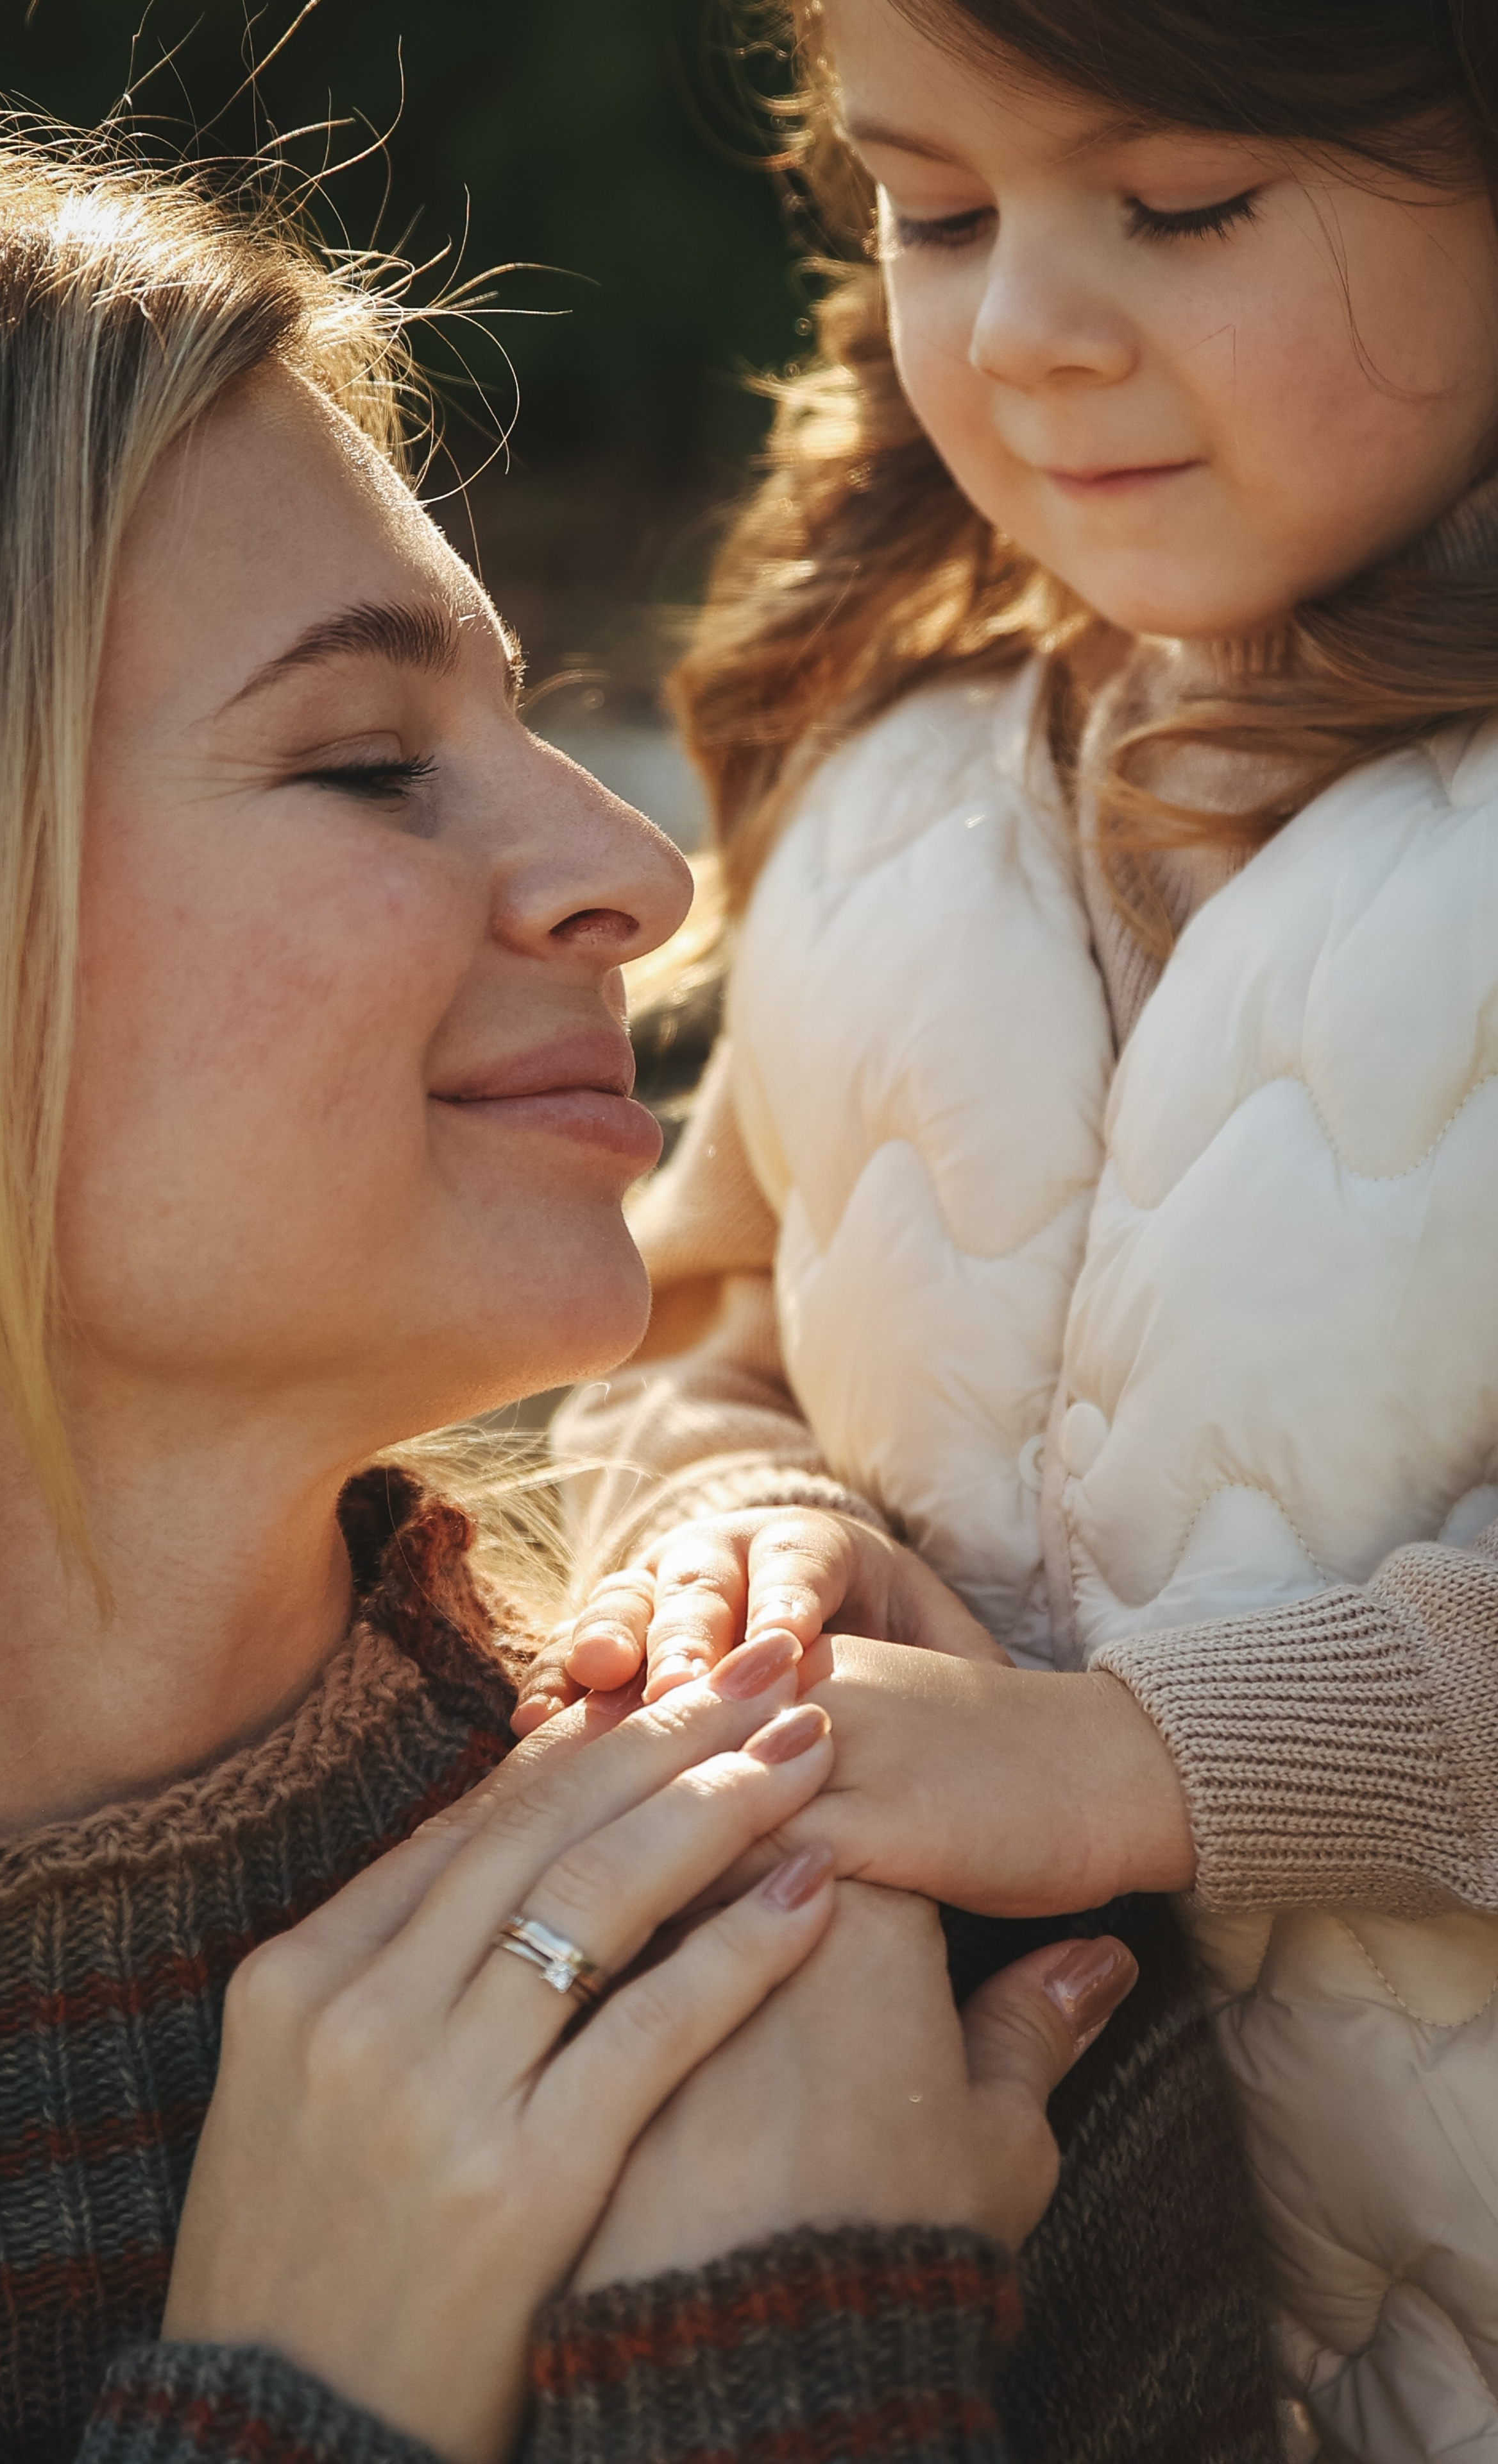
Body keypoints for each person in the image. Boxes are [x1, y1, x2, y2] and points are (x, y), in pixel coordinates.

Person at [0, 116, 1158, 2464]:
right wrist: (307, 2411)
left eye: (529, 719)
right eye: (368, 762)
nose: (636, 871)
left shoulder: (905, 1948)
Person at [531, 3, 1498, 2457]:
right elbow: (698, 1321)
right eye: (937, 209)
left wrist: (1137, 1763)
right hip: (1042, 2351)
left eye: (1182, 205)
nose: (1026, 328)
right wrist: (740, 1529)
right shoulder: (892, 790)